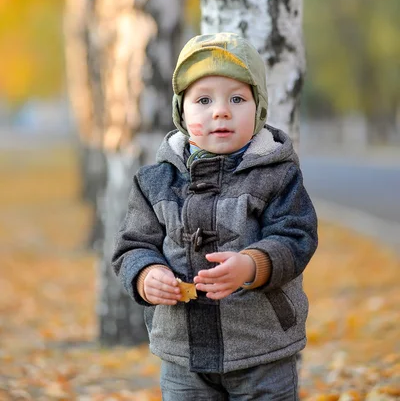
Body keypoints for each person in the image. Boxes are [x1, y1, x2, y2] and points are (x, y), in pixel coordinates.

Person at [112, 32, 318, 401]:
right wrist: (147, 275)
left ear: (258, 109)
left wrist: (252, 265)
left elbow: (296, 235)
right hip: (182, 353)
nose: (220, 110)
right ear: (181, 111)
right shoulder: (155, 181)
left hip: (261, 348)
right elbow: (133, 246)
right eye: (203, 99)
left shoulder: (275, 174)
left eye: (237, 99)